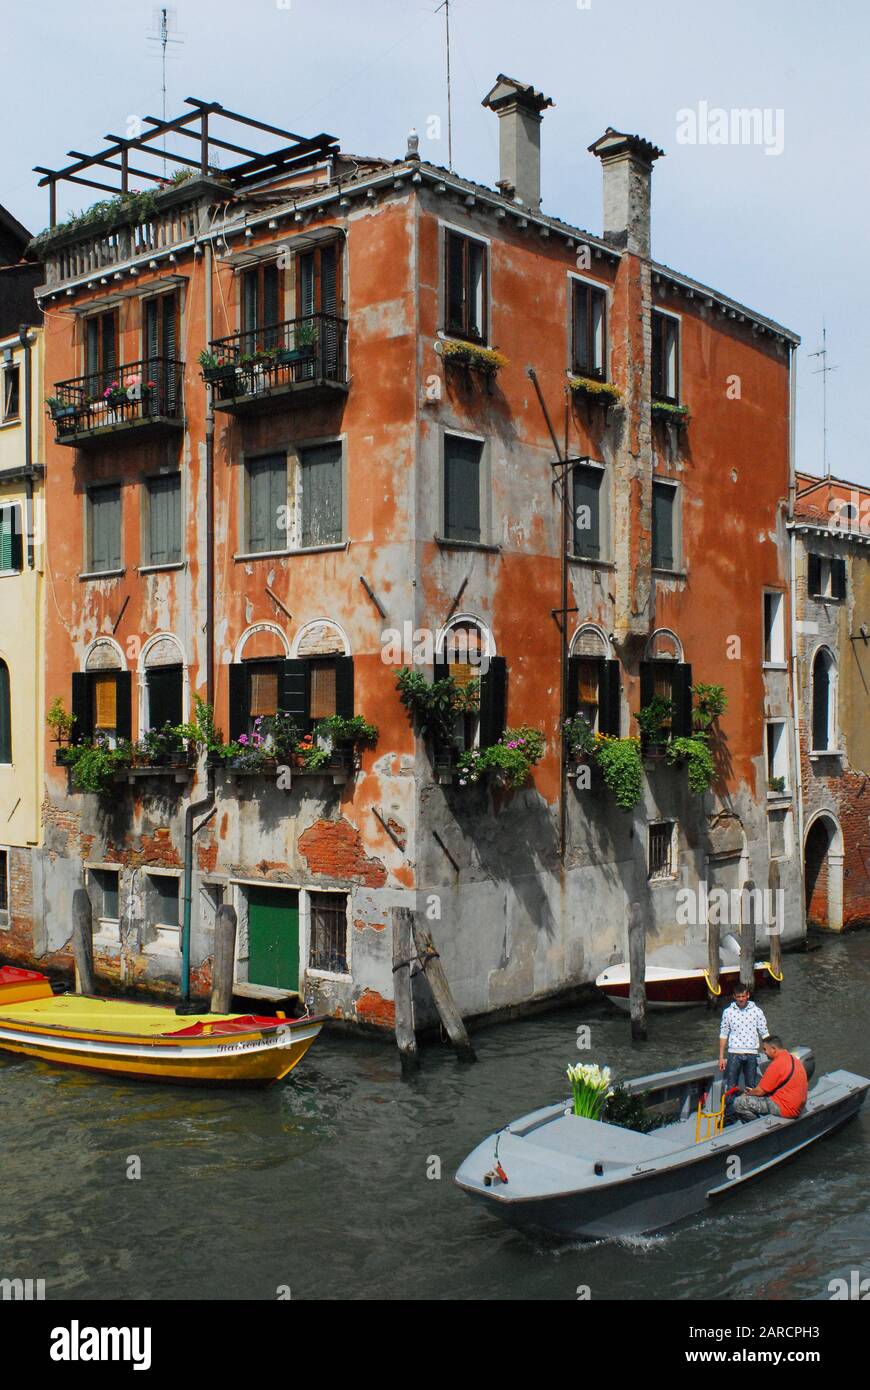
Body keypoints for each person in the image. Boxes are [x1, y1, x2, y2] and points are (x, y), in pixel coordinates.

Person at [733, 1036, 808, 1123]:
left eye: (765, 1049)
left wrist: (748, 1093)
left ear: (773, 1049)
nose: (764, 1052)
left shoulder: (776, 1064)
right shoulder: (793, 1058)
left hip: (785, 1108)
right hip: (797, 1106)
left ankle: (757, 1128)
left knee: (739, 1103)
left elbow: (759, 1092)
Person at [718, 984, 768, 1090]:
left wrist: (769, 1050)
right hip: (734, 1053)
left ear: (748, 995)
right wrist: (721, 1056)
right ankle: (731, 1105)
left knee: (751, 1086)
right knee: (731, 1086)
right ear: (734, 997)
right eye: (738, 997)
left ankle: (749, 1106)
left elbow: (764, 1032)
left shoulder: (757, 1011)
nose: (741, 999)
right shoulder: (728, 1012)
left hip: (751, 1053)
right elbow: (723, 1034)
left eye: (743, 996)